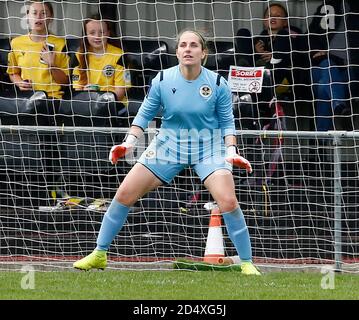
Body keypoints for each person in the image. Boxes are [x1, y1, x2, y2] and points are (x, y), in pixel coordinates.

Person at [73, 29, 261, 275]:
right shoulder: (162, 79)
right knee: (124, 194)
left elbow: (227, 121)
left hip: (209, 147)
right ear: (177, 51)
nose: (188, 49)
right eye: (183, 44)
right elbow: (145, 114)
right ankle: (99, 254)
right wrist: (128, 142)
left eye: (194, 45)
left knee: (227, 201)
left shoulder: (217, 83)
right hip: (169, 145)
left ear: (203, 53)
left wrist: (231, 150)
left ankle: (246, 262)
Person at [7, 1, 70, 99]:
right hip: (26, 99)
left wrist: (52, 65)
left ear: (51, 17)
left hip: (51, 99)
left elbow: (65, 82)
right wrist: (20, 83)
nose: (39, 17)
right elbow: (13, 72)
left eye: (43, 13)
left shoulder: (61, 43)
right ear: (28, 16)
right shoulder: (16, 42)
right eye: (34, 13)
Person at [306, 0, 350, 131]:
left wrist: (330, 54)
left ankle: (321, 142)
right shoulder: (327, 8)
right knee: (327, 65)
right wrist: (329, 55)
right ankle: (340, 107)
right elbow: (310, 43)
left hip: (348, 73)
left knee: (323, 87)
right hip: (320, 68)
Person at [71, 14, 131, 106]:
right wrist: (85, 93)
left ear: (108, 33)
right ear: (86, 35)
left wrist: (99, 97)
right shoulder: (79, 55)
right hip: (87, 102)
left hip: (113, 104)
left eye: (102, 32)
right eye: (92, 33)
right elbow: (77, 90)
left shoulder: (119, 55)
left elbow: (120, 92)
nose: (97, 36)